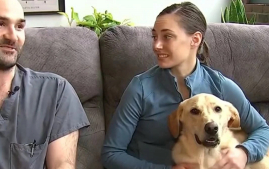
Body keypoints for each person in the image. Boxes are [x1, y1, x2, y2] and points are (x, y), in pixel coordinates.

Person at [101, 1, 269, 169]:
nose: (156, 45)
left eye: (167, 36)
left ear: (195, 40)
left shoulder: (221, 86)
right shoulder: (140, 88)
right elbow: (111, 154)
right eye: (154, 37)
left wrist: (244, 152)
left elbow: (263, 130)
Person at [0, 0, 90, 168]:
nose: (12, 36)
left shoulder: (56, 91)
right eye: (0, 24)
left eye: (19, 27)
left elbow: (62, 165)